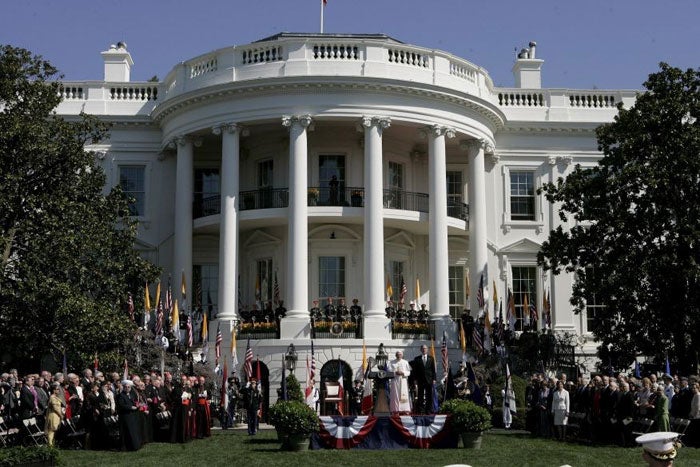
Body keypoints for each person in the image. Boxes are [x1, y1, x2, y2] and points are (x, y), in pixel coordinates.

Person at [116, 380, 142, 451]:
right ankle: (127, 447)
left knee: (133, 431)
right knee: (127, 432)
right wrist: (130, 407)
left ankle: (135, 446)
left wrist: (138, 405)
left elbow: (135, 402)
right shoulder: (120, 395)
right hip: (125, 416)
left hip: (132, 416)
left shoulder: (132, 395)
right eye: (126, 387)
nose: (127, 388)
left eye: (129, 387)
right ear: (123, 387)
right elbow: (121, 405)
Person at [410, 344, 435, 414]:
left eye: (425, 348)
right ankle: (420, 410)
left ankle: (428, 410)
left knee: (429, 396)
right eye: (423, 348)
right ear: (421, 350)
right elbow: (414, 371)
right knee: (420, 396)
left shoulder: (431, 358)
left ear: (427, 349)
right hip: (420, 380)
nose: (424, 350)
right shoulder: (417, 359)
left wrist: (434, 379)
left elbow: (433, 370)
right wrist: (415, 380)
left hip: (429, 380)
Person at [389, 350, 411, 414]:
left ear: (402, 355)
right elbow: (389, 372)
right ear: (396, 355)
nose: (399, 356)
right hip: (395, 381)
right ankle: (395, 409)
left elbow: (409, 372)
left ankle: (405, 409)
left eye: (400, 354)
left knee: (404, 394)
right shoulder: (391, 362)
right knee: (395, 395)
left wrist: (403, 373)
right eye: (398, 354)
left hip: (403, 380)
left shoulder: (405, 362)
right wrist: (395, 373)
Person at [45, 383, 64, 447]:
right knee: (51, 430)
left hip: (56, 416)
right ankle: (50, 445)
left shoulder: (56, 397)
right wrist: (60, 415)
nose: (58, 390)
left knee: (54, 430)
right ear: (54, 390)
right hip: (53, 415)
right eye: (57, 389)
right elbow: (55, 408)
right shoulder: (52, 397)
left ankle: (52, 444)